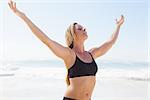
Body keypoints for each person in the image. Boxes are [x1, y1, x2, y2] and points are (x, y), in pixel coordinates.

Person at [8, 1, 124, 100]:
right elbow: (46, 40)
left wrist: (118, 26)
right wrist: (22, 16)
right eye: (80, 28)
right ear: (73, 35)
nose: (84, 29)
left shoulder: (92, 54)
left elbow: (110, 42)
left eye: (84, 27)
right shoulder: (69, 55)